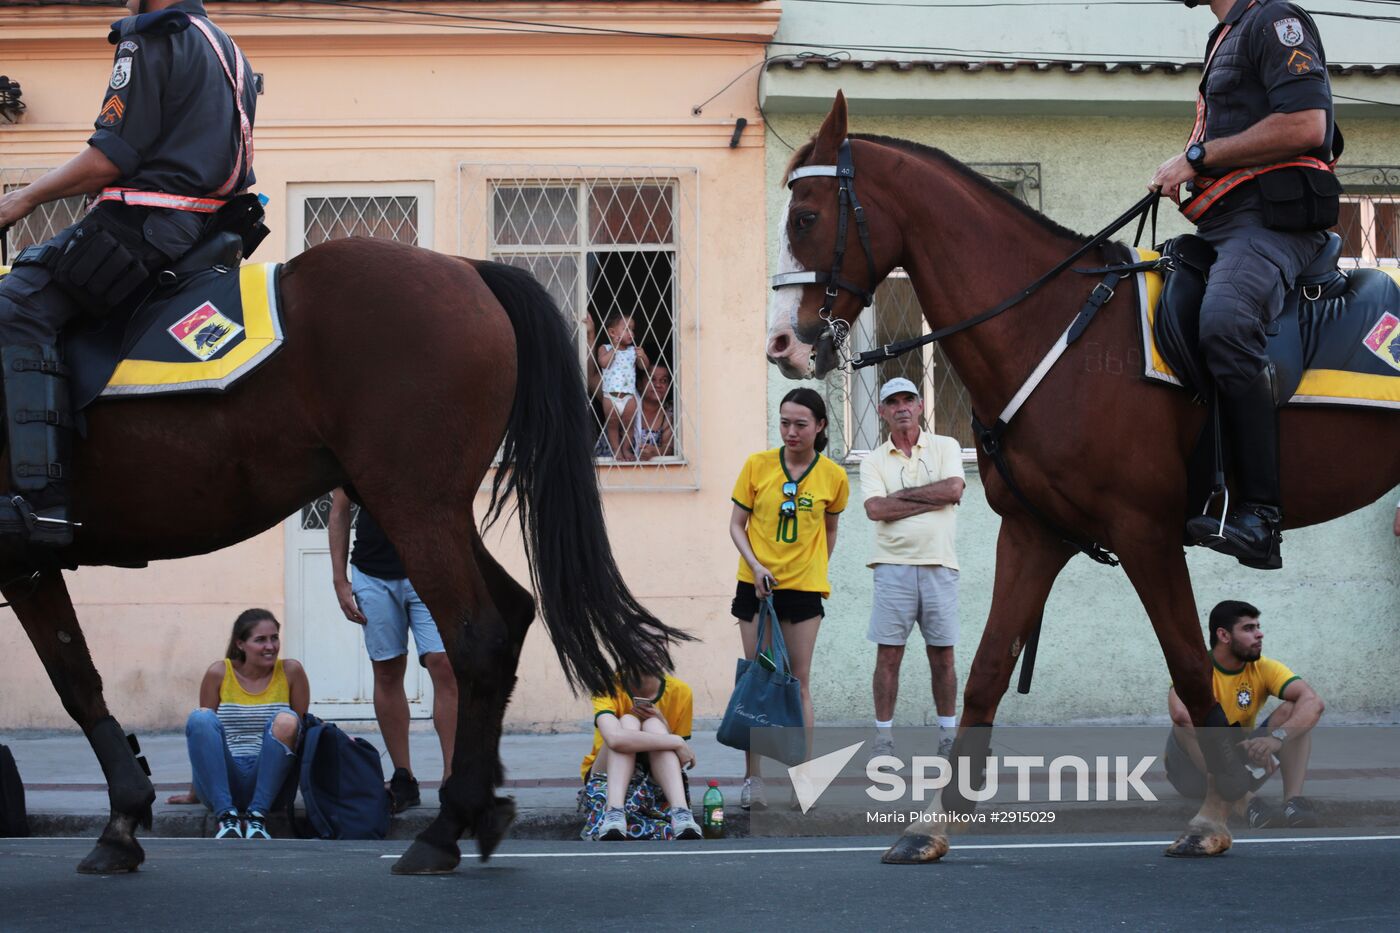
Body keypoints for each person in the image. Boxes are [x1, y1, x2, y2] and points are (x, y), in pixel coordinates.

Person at [0, 0, 256, 547]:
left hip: (142, 222)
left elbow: (108, 158)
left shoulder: (148, 38)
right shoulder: (225, 46)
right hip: (198, 228)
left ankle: (39, 501)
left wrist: (20, 200)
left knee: (15, 304)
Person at [1155, 1, 1341, 571]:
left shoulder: (1275, 20)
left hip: (1272, 222)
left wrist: (1197, 156)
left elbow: (1308, 125)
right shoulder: (1226, 35)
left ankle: (1260, 516)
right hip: (1225, 225)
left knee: (1227, 323)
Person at [728, 387, 848, 810]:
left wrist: (814, 571)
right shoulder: (757, 466)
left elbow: (829, 531)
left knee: (798, 684)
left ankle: (803, 778)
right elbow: (737, 525)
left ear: (819, 426)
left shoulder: (834, 475)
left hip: (803, 592)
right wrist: (757, 567)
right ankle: (752, 779)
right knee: (757, 680)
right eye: (784, 422)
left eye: (800, 424)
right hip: (756, 587)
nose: (791, 431)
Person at [329, 487, 458, 812]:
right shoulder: (358, 443)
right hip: (372, 573)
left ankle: (453, 778)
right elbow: (339, 511)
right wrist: (339, 579)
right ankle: (404, 777)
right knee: (386, 671)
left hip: (430, 569)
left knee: (444, 666)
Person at [859, 378, 965, 762]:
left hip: (939, 564)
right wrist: (930, 498)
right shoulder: (872, 460)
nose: (902, 407)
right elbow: (875, 510)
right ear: (882, 412)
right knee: (888, 656)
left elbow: (954, 489)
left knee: (943, 656)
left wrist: (900, 497)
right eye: (893, 402)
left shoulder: (946, 446)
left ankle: (947, 735)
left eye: (908, 400)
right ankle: (884, 738)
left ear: (921, 406)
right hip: (892, 569)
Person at [1164, 600, 1325, 828]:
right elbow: (1180, 714)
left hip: (1244, 765)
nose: (1259, 634)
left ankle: (1293, 803)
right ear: (1224, 635)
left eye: (1258, 627)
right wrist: (1236, 749)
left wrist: (1275, 740)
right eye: (1249, 628)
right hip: (1192, 774)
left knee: (1294, 712)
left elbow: (1313, 702)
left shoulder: (1264, 667)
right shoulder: (1195, 668)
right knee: (1187, 724)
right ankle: (1245, 803)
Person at [181, 609, 308, 839]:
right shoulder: (219, 673)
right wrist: (194, 792)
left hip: (272, 786)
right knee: (201, 718)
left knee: (288, 721)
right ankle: (226, 818)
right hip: (223, 783)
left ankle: (257, 818)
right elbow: (204, 738)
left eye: (274, 637)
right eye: (260, 640)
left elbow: (302, 736)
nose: (270, 646)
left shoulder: (291, 671)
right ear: (240, 644)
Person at [579, 668, 702, 841]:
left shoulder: (680, 691)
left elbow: (681, 759)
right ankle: (614, 813)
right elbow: (614, 739)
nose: (647, 648)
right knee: (627, 722)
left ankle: (681, 814)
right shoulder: (606, 686)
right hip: (606, 775)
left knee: (654, 724)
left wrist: (662, 721)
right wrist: (677, 741)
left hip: (654, 777)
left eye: (656, 642)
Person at [596, 311, 650, 460]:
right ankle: (616, 450)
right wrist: (614, 347)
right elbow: (603, 363)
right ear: (612, 333)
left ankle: (626, 449)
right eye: (627, 329)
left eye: (632, 329)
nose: (631, 333)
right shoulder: (605, 349)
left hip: (628, 395)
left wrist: (642, 356)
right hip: (610, 396)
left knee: (629, 425)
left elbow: (643, 367)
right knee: (612, 425)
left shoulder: (633, 351)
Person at [635, 360, 675, 462]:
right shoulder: (627, 402)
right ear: (639, 384)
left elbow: (669, 448)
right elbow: (592, 379)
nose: (658, 385)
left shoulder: (669, 412)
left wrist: (656, 452)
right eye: (652, 379)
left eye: (664, 380)